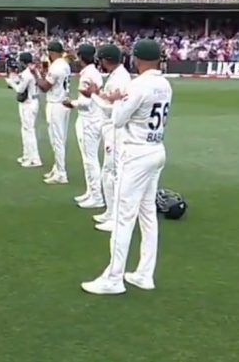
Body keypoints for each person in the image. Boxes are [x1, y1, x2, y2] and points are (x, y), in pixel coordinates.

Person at [80, 39, 173, 295]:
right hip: (156, 150)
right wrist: (111, 99)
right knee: (147, 216)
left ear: (137, 59)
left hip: (136, 154)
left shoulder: (139, 85)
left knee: (123, 216)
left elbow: (118, 119)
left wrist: (113, 99)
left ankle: (113, 278)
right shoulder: (165, 84)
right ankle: (144, 273)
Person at [90, 44, 132, 231]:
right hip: (110, 129)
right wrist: (101, 95)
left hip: (115, 130)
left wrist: (94, 96)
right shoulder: (117, 75)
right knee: (108, 172)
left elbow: (111, 109)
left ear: (105, 60)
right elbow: (109, 99)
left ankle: (116, 217)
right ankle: (110, 211)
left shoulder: (121, 78)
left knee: (111, 172)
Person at [63, 44, 104, 208]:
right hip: (92, 119)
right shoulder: (92, 72)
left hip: (89, 120)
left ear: (81, 57)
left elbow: (87, 102)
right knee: (89, 159)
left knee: (90, 160)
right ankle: (91, 192)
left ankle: (96, 196)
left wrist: (71, 102)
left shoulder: (88, 75)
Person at [35, 41, 71, 185]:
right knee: (59, 138)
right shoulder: (65, 64)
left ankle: (61, 173)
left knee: (57, 140)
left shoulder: (56, 66)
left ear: (52, 52)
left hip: (56, 103)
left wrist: (36, 76)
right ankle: (57, 168)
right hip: (63, 102)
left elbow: (44, 87)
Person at [5, 52, 41, 168]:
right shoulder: (33, 71)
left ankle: (34, 159)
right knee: (25, 129)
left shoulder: (27, 73)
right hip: (31, 101)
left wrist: (11, 83)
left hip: (29, 103)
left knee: (29, 130)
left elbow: (20, 89)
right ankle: (27, 155)